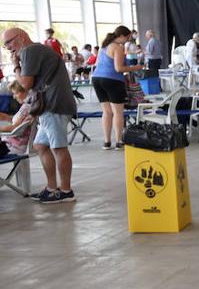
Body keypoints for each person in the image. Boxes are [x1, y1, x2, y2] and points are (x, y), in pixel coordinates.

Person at [4, 27, 78, 203]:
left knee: (59, 148)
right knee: (40, 146)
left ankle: (66, 191)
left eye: (9, 42)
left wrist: (16, 66)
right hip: (49, 106)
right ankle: (51, 188)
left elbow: (25, 84)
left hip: (55, 105)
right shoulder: (35, 50)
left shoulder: (30, 50)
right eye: (5, 44)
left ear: (21, 38)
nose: (7, 47)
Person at [92, 25, 145, 150]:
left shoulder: (103, 47)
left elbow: (98, 63)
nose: (127, 41)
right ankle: (119, 141)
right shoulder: (118, 47)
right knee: (118, 112)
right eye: (127, 38)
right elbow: (119, 68)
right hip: (112, 80)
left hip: (97, 79)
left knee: (106, 112)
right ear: (121, 36)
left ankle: (106, 142)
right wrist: (136, 67)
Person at [0, 80, 35, 157]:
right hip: (19, 143)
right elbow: (20, 124)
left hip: (13, 145)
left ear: (24, 92)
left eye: (16, 93)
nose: (14, 96)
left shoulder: (26, 108)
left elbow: (14, 127)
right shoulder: (30, 106)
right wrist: (6, 117)